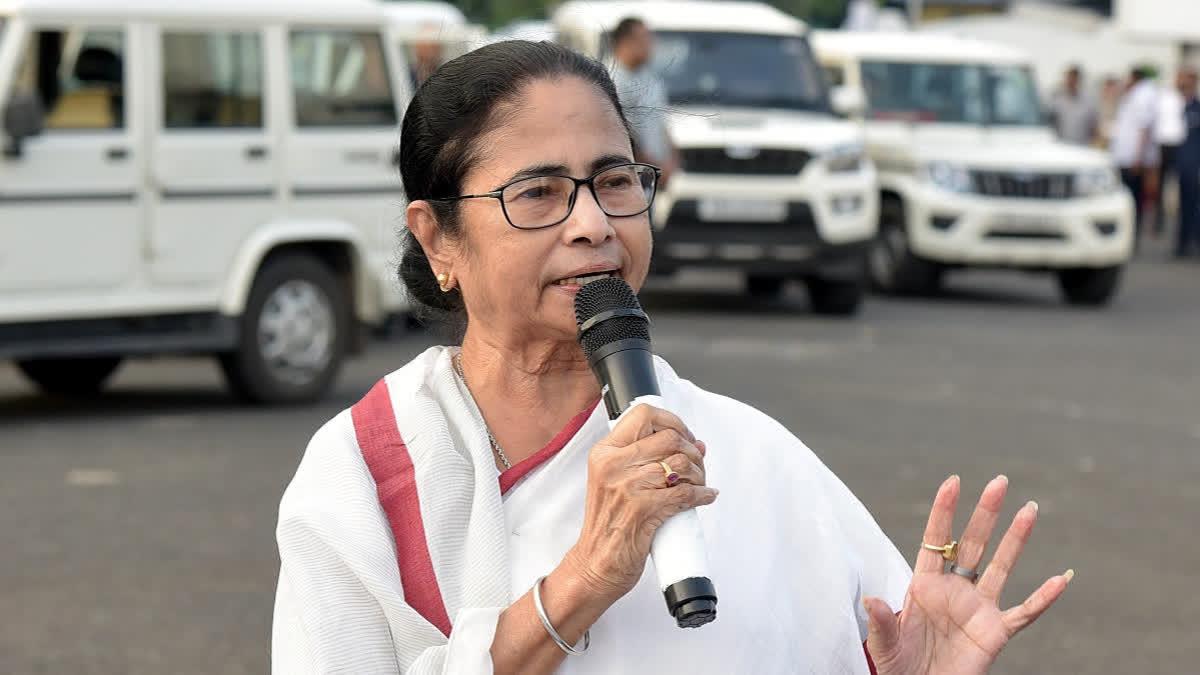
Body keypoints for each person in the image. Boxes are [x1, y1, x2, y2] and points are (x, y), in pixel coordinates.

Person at [271, 40, 1071, 674]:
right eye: (540, 193)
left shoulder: (753, 458)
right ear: (439, 236)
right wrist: (584, 578)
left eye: (615, 181)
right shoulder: (367, 475)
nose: (594, 224)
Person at [608, 17, 679, 188]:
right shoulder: (611, 79)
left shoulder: (650, 77)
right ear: (625, 42)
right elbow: (623, 131)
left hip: (653, 172)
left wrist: (672, 159)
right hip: (631, 173)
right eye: (645, 39)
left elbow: (660, 121)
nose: (650, 45)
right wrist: (652, 166)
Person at [1110, 66, 1161, 244]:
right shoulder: (1135, 94)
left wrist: (1138, 157)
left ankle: (1131, 238)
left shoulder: (1143, 95)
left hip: (1132, 159)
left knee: (1132, 200)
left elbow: (1143, 127)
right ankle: (1128, 237)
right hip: (1127, 156)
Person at [1176, 68, 1200, 258]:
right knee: (1184, 205)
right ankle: (1183, 243)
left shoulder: (1196, 108)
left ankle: (1191, 242)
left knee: (1193, 205)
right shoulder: (1180, 105)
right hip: (1181, 162)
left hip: (1193, 164)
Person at [1049, 65, 1098, 146]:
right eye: (1068, 79)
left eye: (1072, 79)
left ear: (1078, 80)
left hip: (1082, 145)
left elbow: (1093, 126)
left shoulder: (1089, 101)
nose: (1069, 82)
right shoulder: (1056, 99)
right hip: (1061, 145)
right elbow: (1051, 122)